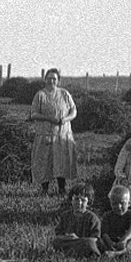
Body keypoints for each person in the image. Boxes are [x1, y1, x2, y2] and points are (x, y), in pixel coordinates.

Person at [26, 67, 78, 195]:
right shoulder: (40, 95)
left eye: (54, 79)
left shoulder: (65, 94)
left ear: (58, 80)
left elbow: (74, 111)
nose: (51, 81)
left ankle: (62, 189)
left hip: (62, 135)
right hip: (46, 135)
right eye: (49, 78)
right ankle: (44, 190)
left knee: (61, 162)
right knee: (45, 162)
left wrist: (65, 119)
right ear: (45, 80)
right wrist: (49, 118)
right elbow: (33, 114)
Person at [50, 182, 101, 257]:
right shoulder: (65, 215)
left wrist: (78, 239)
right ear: (71, 200)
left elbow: (95, 238)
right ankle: (72, 252)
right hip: (70, 242)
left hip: (84, 243)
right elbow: (58, 234)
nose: (79, 203)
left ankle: (75, 253)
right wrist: (68, 237)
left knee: (90, 243)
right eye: (76, 199)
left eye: (83, 200)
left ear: (88, 202)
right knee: (56, 241)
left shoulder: (92, 218)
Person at [98, 184, 131, 255]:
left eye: (122, 203)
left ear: (129, 203)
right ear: (110, 203)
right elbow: (104, 233)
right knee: (99, 240)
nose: (119, 207)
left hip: (126, 239)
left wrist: (125, 239)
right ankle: (109, 250)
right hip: (112, 239)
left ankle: (119, 253)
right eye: (114, 204)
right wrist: (109, 242)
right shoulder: (107, 215)